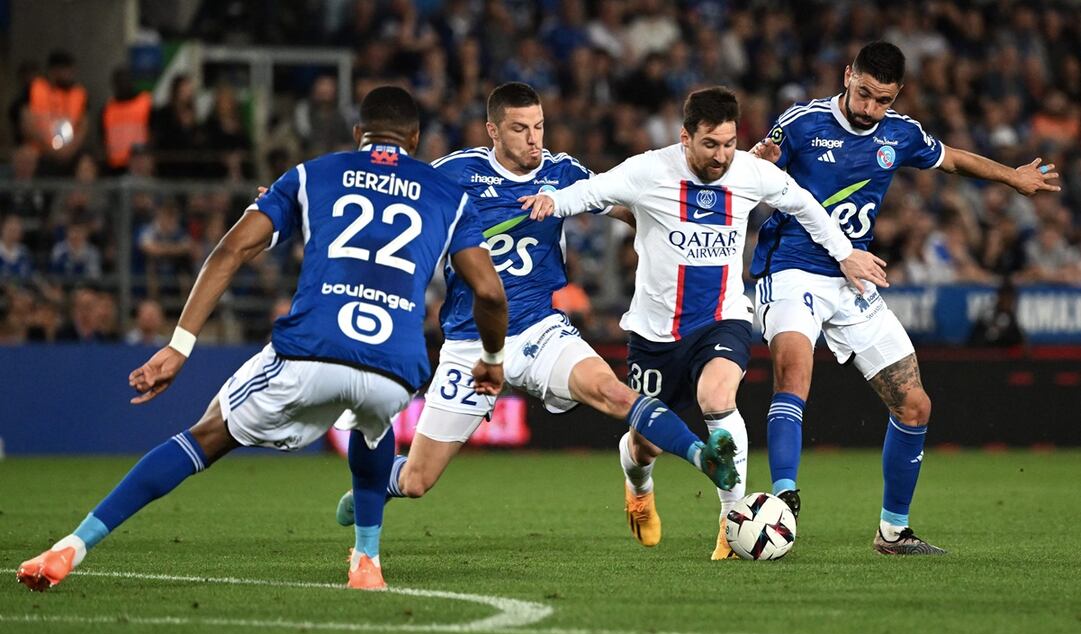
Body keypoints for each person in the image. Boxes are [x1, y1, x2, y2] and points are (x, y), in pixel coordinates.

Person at [17, 86, 508, 593]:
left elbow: (232, 250)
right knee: (372, 426)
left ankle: (70, 547)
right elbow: (490, 293)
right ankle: (366, 561)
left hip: (312, 349)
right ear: (416, 138)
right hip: (395, 368)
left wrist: (179, 346)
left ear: (358, 134)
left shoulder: (312, 174)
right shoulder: (449, 196)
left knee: (205, 436)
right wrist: (492, 359)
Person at [335, 82, 741, 533]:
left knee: (612, 391)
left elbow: (631, 207)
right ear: (492, 130)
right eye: (520, 129)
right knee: (416, 481)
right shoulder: (457, 173)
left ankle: (703, 456)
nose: (535, 140)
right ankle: (378, 483)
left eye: (540, 126)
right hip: (471, 344)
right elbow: (391, 195)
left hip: (539, 330)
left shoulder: (563, 172)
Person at [520, 86, 888, 558]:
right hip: (656, 334)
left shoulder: (751, 173)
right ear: (685, 138)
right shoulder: (649, 170)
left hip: (723, 318)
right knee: (643, 447)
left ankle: (731, 520)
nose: (721, 156)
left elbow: (804, 204)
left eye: (730, 143)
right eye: (710, 145)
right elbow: (591, 191)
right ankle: (639, 490)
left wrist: (845, 254)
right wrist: (553, 200)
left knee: (717, 398)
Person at [749, 41, 1060, 555]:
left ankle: (893, 531)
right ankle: (784, 498)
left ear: (896, 97)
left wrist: (1013, 178)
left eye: (882, 100)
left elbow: (953, 159)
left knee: (915, 405)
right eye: (864, 93)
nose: (869, 108)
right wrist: (760, 163)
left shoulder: (901, 134)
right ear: (847, 76)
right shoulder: (801, 123)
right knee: (794, 371)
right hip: (790, 269)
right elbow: (755, 173)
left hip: (854, 278)